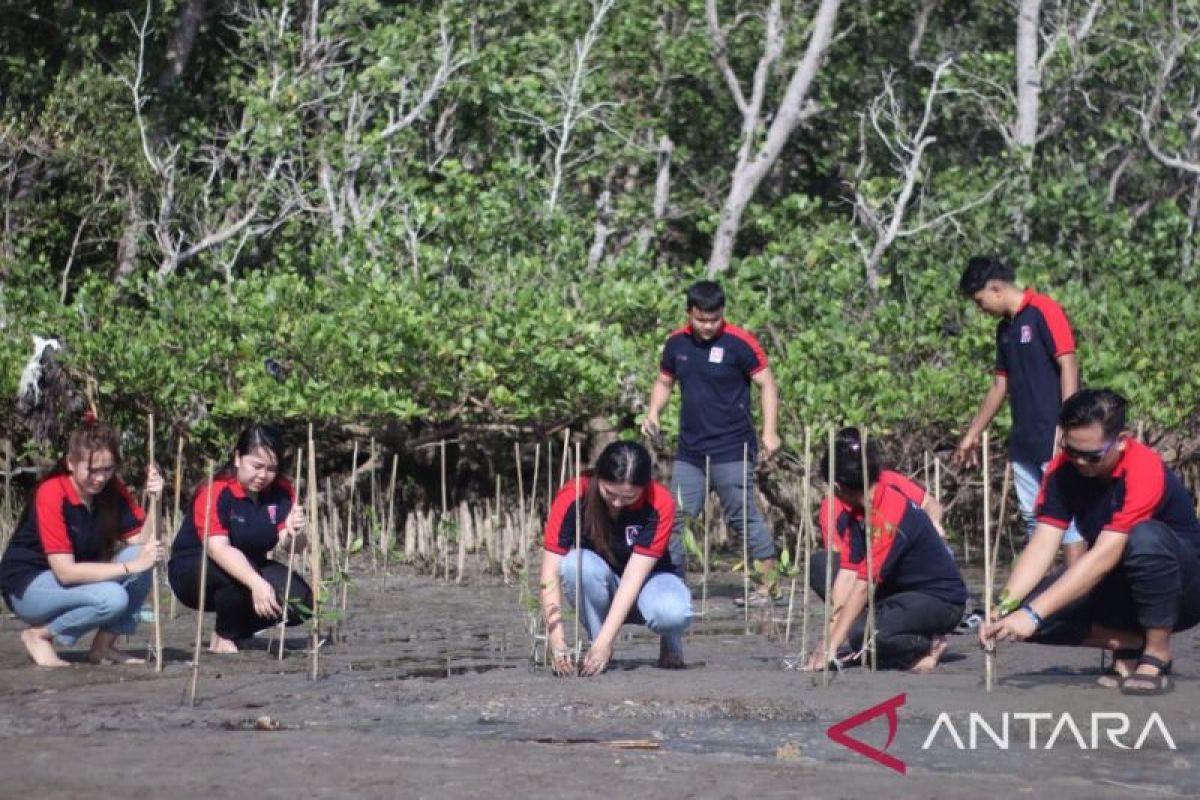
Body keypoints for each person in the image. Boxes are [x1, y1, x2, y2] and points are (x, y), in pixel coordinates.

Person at [979, 389, 1200, 695]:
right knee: (1017, 617)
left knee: (1145, 538)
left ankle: (1157, 652)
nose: (1080, 462)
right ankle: (1129, 643)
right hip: (1117, 580)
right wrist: (1006, 606)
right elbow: (1044, 543)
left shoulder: (1144, 468)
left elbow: (1105, 554)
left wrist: (1033, 615)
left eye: (1092, 455)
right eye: (1071, 451)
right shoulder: (1061, 472)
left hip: (1181, 587)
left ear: (1121, 440)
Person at [641, 280, 781, 606]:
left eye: (713, 319)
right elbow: (664, 381)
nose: (707, 326)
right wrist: (653, 413)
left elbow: (767, 384)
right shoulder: (676, 344)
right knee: (676, 518)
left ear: (722, 314)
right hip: (690, 452)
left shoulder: (740, 343)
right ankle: (672, 584)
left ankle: (767, 586)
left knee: (741, 516)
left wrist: (770, 431)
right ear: (689, 312)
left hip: (733, 448)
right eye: (701, 319)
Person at [954, 256, 1085, 564]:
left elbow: (1068, 363)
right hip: (1023, 442)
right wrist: (972, 434)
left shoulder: (1043, 310)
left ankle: (1081, 596)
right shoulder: (1004, 330)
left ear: (996, 288)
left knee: (1067, 518)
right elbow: (999, 387)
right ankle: (1045, 594)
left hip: (1053, 436)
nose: (980, 308)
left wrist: (1068, 424)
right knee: (1033, 519)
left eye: (979, 300)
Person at [0, 423, 165, 667]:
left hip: (76, 577)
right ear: (70, 462)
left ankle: (103, 647)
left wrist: (156, 501)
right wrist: (130, 567)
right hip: (29, 586)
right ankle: (39, 635)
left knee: (145, 555)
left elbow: (143, 543)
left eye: (108, 469)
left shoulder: (112, 489)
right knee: (112, 598)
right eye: (92, 470)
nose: (100, 478)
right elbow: (65, 573)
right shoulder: (51, 493)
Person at [804, 430, 967, 672]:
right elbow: (847, 575)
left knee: (863, 636)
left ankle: (926, 647)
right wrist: (825, 642)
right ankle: (882, 628)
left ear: (837, 486)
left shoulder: (888, 511)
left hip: (938, 599)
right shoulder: (855, 513)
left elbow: (861, 587)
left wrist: (832, 648)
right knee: (824, 569)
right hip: (895, 592)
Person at [540, 440, 693, 675]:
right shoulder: (573, 495)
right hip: (602, 582)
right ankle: (598, 645)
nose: (617, 503)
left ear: (644, 487)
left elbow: (634, 577)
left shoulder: (659, 501)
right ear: (598, 476)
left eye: (628, 497)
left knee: (671, 613)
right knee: (574, 564)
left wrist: (606, 640)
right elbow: (549, 574)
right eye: (610, 493)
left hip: (649, 582)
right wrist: (557, 642)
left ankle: (665, 640)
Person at [168, 424, 310, 654]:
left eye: (271, 469)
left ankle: (231, 628)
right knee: (238, 571)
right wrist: (257, 583)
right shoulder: (216, 491)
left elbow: (293, 546)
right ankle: (226, 637)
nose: (263, 475)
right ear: (237, 458)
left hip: (249, 567)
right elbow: (217, 549)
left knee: (301, 602)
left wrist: (297, 532)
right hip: (197, 570)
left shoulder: (282, 491)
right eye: (257, 466)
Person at [809, 427, 947, 606]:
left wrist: (933, 522)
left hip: (911, 565)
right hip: (867, 572)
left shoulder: (888, 481)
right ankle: (860, 617)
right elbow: (844, 564)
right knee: (822, 564)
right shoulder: (831, 507)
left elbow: (930, 503)